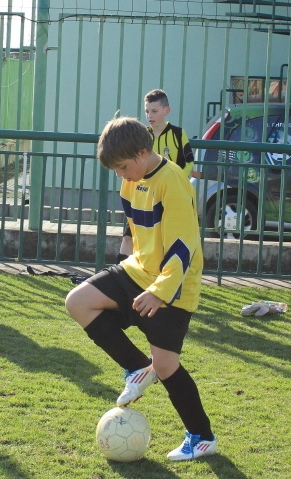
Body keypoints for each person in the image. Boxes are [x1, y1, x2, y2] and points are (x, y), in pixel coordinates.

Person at [66, 116, 216, 461]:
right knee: (79, 301)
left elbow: (183, 246)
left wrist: (161, 291)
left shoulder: (173, 182)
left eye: (122, 167)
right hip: (137, 271)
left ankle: (202, 437)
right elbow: (133, 231)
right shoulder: (130, 182)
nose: (121, 175)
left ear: (143, 152)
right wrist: (116, 270)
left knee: (166, 367)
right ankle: (136, 367)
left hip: (173, 286)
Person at [118, 89, 194, 259]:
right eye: (146, 111)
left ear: (166, 111)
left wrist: (175, 182)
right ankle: (120, 273)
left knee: (164, 238)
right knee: (129, 235)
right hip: (143, 195)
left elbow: (188, 162)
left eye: (154, 111)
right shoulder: (142, 135)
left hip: (167, 196)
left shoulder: (178, 134)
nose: (149, 115)